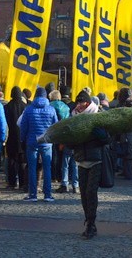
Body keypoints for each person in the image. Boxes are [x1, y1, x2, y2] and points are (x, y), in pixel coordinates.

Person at [69, 90, 109, 239]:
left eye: (81, 103)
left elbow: (107, 139)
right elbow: (70, 141)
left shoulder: (97, 114)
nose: (79, 106)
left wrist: (99, 133)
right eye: (77, 103)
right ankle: (88, 220)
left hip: (95, 159)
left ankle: (91, 224)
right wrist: (70, 142)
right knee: (84, 195)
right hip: (81, 160)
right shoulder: (73, 117)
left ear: (88, 103)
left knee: (91, 192)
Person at [19, 87, 59, 202]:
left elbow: (23, 127)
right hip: (46, 143)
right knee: (47, 168)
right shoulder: (51, 109)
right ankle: (47, 195)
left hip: (32, 142)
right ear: (46, 96)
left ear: (35, 96)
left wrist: (22, 139)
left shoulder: (28, 109)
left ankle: (33, 194)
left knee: (32, 168)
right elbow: (55, 126)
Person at [3, 86, 27, 191]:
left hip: (11, 137)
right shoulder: (25, 106)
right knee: (22, 161)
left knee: (11, 161)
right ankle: (22, 183)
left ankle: (12, 183)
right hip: (22, 137)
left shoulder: (7, 107)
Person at [49, 90, 73, 192]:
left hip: (52, 133)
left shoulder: (50, 105)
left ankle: (53, 176)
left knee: (53, 155)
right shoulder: (66, 107)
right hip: (64, 134)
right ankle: (61, 177)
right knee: (62, 157)